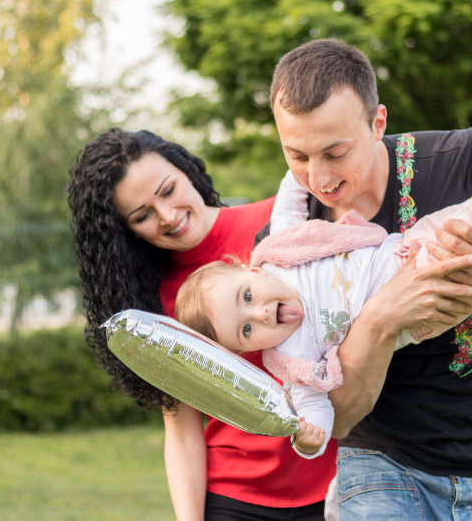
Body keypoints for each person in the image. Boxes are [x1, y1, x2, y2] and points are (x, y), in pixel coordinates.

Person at [264, 38, 472, 520]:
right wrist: (383, 319)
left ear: (377, 122)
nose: (318, 177)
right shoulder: (288, 244)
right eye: (296, 156)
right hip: (381, 467)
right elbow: (336, 417)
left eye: (335, 152)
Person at [174, 122, 472, 459]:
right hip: (419, 305)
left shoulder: (282, 250)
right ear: (247, 349)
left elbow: (291, 197)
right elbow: (317, 408)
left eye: (248, 299)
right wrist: (309, 436)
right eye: (246, 330)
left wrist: (300, 162)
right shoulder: (292, 360)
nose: (261, 316)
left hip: (407, 251)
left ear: (248, 268)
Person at [67, 128, 337, 520]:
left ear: (186, 170)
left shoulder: (282, 220)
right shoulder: (154, 303)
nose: (168, 216)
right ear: (126, 232)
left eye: (167, 190)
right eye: (142, 216)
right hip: (235, 499)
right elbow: (182, 431)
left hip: (338, 483)